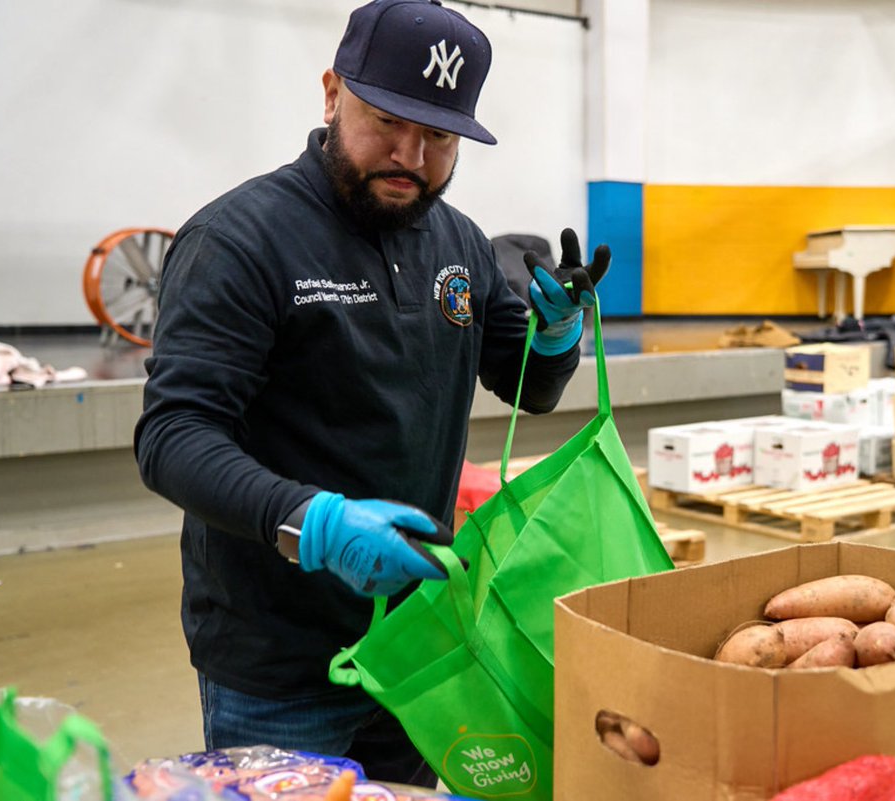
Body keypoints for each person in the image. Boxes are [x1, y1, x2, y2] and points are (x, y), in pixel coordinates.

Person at [134, 0, 608, 787]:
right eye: (386, 121)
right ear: (331, 95)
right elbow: (173, 436)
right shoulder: (240, 240)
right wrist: (308, 521)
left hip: (420, 643)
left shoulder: (457, 239)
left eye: (439, 138)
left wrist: (554, 339)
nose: (410, 155)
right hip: (280, 663)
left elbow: (528, 387)